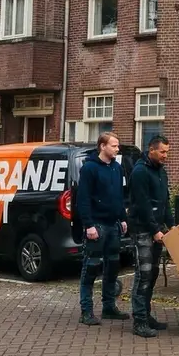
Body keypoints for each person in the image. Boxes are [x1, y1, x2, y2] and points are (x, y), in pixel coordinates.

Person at [76, 132, 129, 326]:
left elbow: (119, 196)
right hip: (97, 225)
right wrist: (89, 225)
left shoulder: (117, 168)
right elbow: (83, 199)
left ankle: (109, 307)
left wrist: (123, 218)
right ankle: (86, 311)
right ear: (102, 146)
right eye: (114, 145)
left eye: (117, 145)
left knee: (112, 267)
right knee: (91, 267)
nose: (117, 149)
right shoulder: (90, 168)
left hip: (114, 225)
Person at [128, 134, 175, 337]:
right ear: (152, 150)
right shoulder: (140, 172)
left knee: (153, 273)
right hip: (142, 229)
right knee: (143, 274)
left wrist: (171, 225)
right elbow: (143, 204)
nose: (165, 155)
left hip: (157, 230)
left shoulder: (161, 172)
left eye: (167, 152)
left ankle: (146, 315)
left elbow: (164, 200)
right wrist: (155, 230)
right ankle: (139, 321)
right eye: (163, 152)